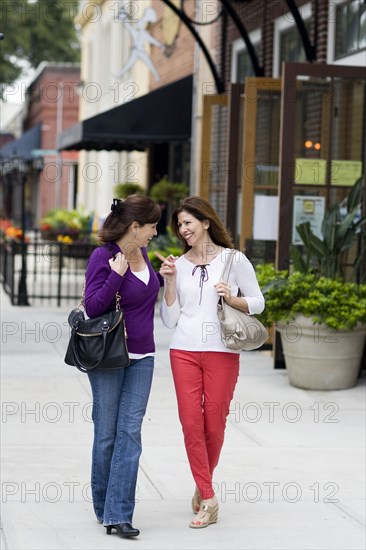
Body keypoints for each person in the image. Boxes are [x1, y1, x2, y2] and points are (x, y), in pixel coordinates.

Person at [157, 196, 265, 529]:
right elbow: (169, 320)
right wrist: (170, 281)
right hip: (184, 351)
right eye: (179, 225)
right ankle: (209, 496)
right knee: (191, 423)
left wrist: (232, 298)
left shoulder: (234, 260)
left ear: (206, 222)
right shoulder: (179, 264)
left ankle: (202, 484)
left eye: (188, 222)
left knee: (213, 426)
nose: (183, 229)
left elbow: (259, 303)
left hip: (222, 352)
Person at [84, 195, 163, 538]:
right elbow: (92, 307)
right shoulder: (103, 257)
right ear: (135, 226)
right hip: (110, 358)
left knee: (130, 433)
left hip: (143, 357)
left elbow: (143, 299)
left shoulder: (144, 256)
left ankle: (119, 513)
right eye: (152, 226)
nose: (155, 233)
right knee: (107, 435)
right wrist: (115, 276)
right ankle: (104, 507)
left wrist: (164, 276)